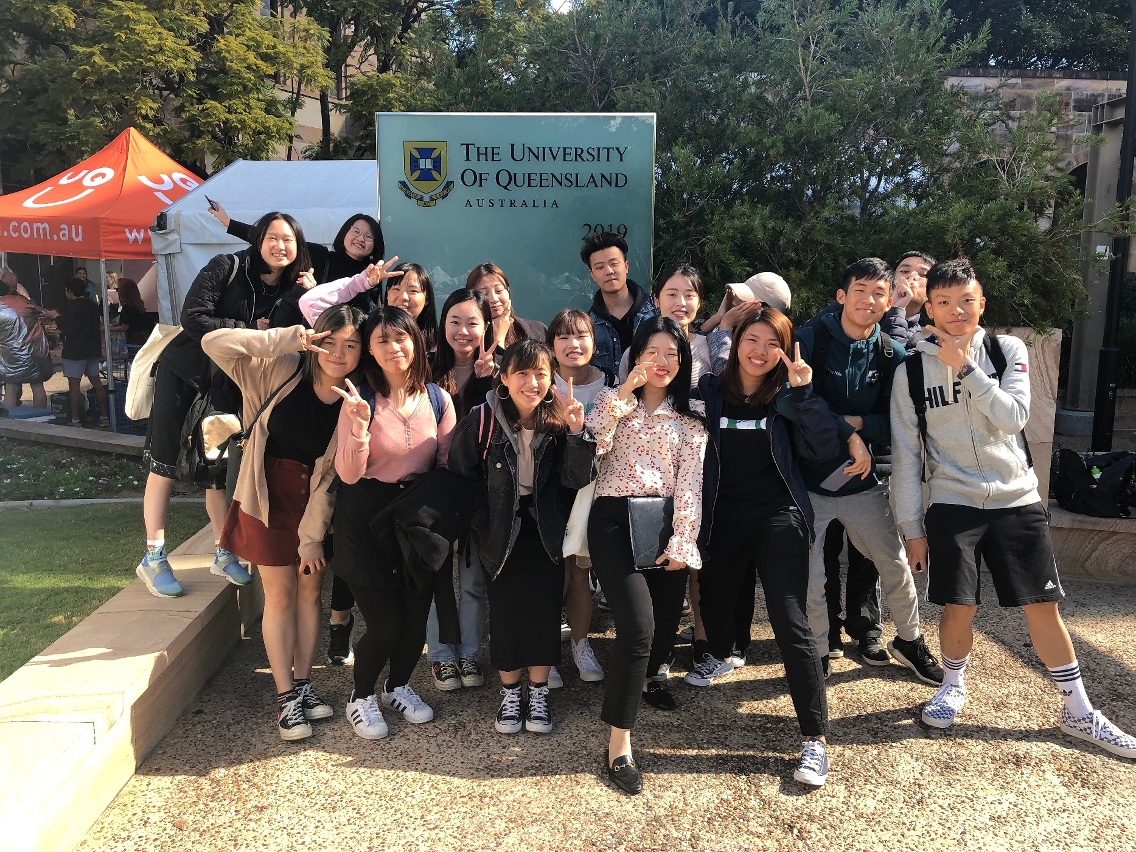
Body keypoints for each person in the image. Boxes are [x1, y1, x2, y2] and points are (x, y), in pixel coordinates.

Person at [892, 258, 1136, 757]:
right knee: (959, 603)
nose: (956, 311)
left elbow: (1013, 418)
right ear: (930, 309)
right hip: (952, 499)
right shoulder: (910, 371)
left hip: (1016, 498)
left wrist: (966, 367)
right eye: (944, 302)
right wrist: (912, 527)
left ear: (981, 303)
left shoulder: (1006, 351)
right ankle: (952, 684)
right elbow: (906, 454)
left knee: (1042, 605)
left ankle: (1078, 710)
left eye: (966, 301)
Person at [693, 303, 840, 786]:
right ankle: (723, 654)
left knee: (789, 620)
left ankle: (814, 739)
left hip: (778, 516)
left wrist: (805, 392)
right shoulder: (710, 391)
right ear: (736, 344)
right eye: (751, 340)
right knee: (715, 605)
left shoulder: (788, 396)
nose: (760, 351)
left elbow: (823, 448)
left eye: (772, 343)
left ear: (784, 350)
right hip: (723, 518)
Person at [201, 305, 364, 740]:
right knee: (280, 593)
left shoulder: (353, 401)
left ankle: (304, 684)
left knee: (310, 591)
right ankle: (285, 696)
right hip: (266, 494)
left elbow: (331, 478)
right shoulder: (282, 368)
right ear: (316, 339)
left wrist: (312, 538)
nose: (339, 352)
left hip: (315, 503)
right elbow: (213, 343)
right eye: (330, 340)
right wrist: (290, 338)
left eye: (351, 344)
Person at [136, 212, 313, 598]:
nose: (280, 246)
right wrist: (247, 330)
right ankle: (154, 556)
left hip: (231, 384)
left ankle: (223, 549)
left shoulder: (291, 289)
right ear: (258, 239)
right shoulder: (227, 266)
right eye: (272, 237)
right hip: (185, 373)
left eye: (288, 240)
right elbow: (193, 318)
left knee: (217, 466)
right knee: (165, 462)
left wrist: (308, 296)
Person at [794, 258, 942, 684]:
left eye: (879, 293)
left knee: (894, 564)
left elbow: (901, 419)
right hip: (807, 482)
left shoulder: (892, 353)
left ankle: (909, 640)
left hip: (863, 482)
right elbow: (789, 400)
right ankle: (818, 649)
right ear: (842, 295)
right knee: (812, 577)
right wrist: (849, 433)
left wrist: (857, 426)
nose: (869, 300)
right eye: (860, 290)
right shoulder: (810, 340)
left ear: (890, 300)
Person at [585, 317, 707, 795]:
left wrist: (683, 540)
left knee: (661, 626)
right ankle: (619, 743)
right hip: (613, 521)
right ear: (635, 356)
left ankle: (645, 680)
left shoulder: (691, 418)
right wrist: (624, 392)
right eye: (652, 351)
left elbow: (691, 485)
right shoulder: (612, 402)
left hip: (663, 523)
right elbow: (594, 439)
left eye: (672, 353)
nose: (662, 361)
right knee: (637, 627)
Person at [448, 339, 594, 736]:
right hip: (498, 528)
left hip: (544, 528)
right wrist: (480, 524)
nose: (532, 383)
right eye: (522, 373)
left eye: (541, 374)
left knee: (545, 611)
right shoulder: (482, 420)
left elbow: (576, 479)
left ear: (551, 379)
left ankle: (539, 692)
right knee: (506, 611)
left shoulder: (559, 421)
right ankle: (511, 693)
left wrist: (578, 433)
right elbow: (461, 480)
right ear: (505, 378)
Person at [332, 306, 457, 741]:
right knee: (385, 624)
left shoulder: (438, 399)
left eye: (400, 337)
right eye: (381, 340)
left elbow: (446, 466)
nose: (393, 347)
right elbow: (348, 474)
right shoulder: (360, 400)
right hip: (366, 517)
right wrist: (360, 429)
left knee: (414, 621)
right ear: (369, 348)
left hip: (416, 519)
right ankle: (361, 695)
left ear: (416, 341)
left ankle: (398, 685)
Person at [419, 288, 496, 692]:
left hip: (478, 491)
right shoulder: (424, 369)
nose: (463, 331)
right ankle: (440, 655)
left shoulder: (500, 373)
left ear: (486, 328)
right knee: (435, 577)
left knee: (473, 580)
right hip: (435, 488)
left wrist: (487, 382)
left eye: (472, 323)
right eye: (455, 321)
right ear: (443, 323)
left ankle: (468, 653)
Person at [548, 309, 613, 684]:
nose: (573, 344)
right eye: (563, 337)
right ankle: (546, 652)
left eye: (581, 336)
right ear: (552, 346)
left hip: (595, 492)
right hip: (553, 493)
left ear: (594, 341)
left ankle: (581, 644)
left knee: (580, 573)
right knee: (552, 572)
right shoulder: (543, 383)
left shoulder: (611, 384)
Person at [210, 203, 386, 325]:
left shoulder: (373, 277)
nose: (360, 238)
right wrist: (229, 223)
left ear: (375, 244)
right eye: (356, 231)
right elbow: (275, 242)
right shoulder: (320, 255)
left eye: (368, 236)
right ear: (344, 233)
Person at [582, 231, 657, 380]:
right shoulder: (588, 326)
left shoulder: (656, 312)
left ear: (626, 266)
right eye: (600, 267)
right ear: (592, 275)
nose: (609, 271)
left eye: (614, 264)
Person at [56, 278, 108, 426]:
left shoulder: (76, 307)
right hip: (92, 350)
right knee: (97, 383)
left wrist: (58, 318)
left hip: (76, 352)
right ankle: (104, 417)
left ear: (70, 291)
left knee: (74, 386)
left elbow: (72, 329)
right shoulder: (92, 305)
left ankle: (75, 420)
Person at [466, 262, 547, 349]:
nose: (494, 299)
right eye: (484, 294)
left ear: (508, 291)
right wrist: (499, 340)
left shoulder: (538, 330)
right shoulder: (466, 339)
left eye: (499, 290)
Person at [0, 278, 52, 410]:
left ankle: (10, 420)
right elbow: (40, 316)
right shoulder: (24, 302)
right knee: (37, 385)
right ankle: (40, 417)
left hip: (9, 355)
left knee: (11, 386)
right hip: (32, 351)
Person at [385, 262, 438, 352]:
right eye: (396, 289)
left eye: (413, 291)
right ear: (387, 294)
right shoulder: (371, 331)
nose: (403, 297)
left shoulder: (438, 346)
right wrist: (364, 283)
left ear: (427, 298)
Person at [108, 278, 156, 345]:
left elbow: (124, 327)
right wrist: (112, 325)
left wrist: (107, 330)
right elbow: (127, 321)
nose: (117, 292)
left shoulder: (127, 307)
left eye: (118, 289)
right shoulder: (137, 304)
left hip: (135, 339)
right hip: (143, 337)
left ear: (124, 291)